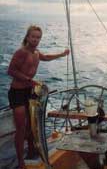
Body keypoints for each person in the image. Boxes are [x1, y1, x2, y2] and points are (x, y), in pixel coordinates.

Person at [7, 25, 69, 169]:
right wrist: (29, 80)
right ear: (27, 37)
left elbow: (46, 57)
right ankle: (21, 161)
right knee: (21, 128)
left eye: (38, 37)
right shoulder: (21, 52)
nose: (35, 39)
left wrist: (62, 54)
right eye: (33, 36)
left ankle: (32, 150)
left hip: (30, 92)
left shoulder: (36, 52)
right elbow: (11, 70)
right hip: (17, 93)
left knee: (30, 126)